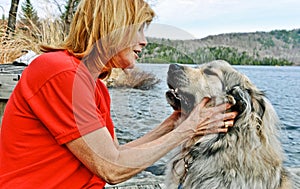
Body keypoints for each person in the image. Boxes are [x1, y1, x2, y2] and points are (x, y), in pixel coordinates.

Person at [0, 0, 238, 188]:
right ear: (112, 27)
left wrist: (174, 123)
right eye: (138, 30)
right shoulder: (60, 72)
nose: (144, 42)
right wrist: (191, 128)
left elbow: (118, 154)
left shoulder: (96, 87)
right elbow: (112, 169)